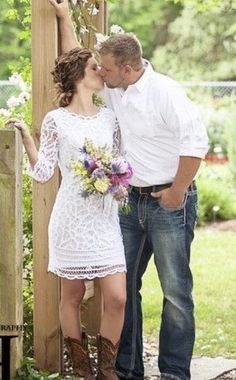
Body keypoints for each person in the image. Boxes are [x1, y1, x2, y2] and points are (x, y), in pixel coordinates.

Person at [48, 2, 209, 380]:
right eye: (97, 69)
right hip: (127, 201)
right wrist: (65, 18)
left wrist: (177, 190)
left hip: (170, 200)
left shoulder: (166, 92)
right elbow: (77, 64)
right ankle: (126, 368)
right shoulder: (113, 90)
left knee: (175, 291)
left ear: (128, 68)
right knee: (124, 290)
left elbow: (196, 143)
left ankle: (173, 372)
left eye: (105, 68)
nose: (99, 73)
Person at [7, 47, 127, 380]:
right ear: (78, 76)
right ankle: (83, 370)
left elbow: (119, 160)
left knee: (117, 297)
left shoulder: (109, 118)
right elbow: (45, 171)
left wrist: (118, 178)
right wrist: (28, 140)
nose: (100, 72)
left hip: (104, 219)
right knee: (71, 296)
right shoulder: (56, 120)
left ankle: (107, 370)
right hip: (70, 219)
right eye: (94, 67)